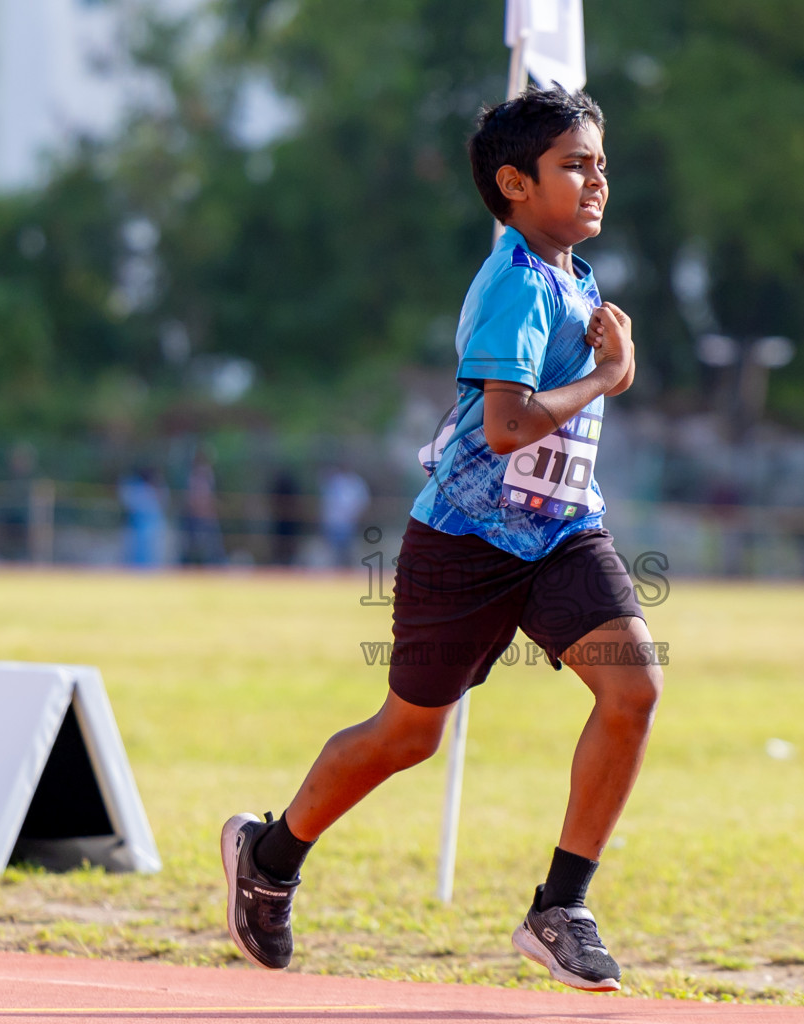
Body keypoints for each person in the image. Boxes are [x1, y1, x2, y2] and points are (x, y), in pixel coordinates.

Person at [222, 88, 659, 993]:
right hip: (464, 544)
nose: (597, 180)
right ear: (514, 182)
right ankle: (269, 854)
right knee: (409, 736)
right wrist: (609, 377)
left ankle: (561, 906)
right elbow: (505, 428)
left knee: (634, 686)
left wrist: (602, 368)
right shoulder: (514, 285)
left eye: (601, 163)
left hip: (563, 533)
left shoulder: (575, 279)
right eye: (576, 164)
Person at [318, 463, 370, 567]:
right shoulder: (334, 481)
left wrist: (356, 517)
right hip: (332, 524)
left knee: (347, 552)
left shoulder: (356, 482)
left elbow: (363, 502)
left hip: (349, 524)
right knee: (332, 553)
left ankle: (346, 572)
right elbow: (326, 502)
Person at [181, 449, 225, 566]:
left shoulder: (207, 474)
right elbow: (193, 498)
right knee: (193, 547)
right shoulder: (196, 475)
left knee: (212, 548)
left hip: (207, 517)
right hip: (198, 517)